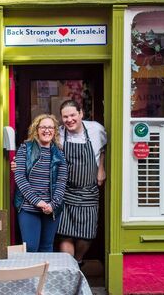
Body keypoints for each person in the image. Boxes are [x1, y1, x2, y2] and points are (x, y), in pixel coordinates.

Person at [56, 100, 107, 266]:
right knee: (65, 233)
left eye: (73, 115)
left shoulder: (96, 129)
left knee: (87, 234)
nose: (69, 119)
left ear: (81, 114)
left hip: (89, 190)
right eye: (65, 116)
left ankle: (78, 260)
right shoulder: (59, 134)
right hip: (66, 191)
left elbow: (103, 149)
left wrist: (101, 168)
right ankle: (70, 268)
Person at [13, 114, 68, 252]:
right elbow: (19, 177)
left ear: (55, 131)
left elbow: (62, 182)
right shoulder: (25, 148)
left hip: (51, 208)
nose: (47, 130)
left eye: (50, 127)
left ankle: (45, 275)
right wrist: (37, 201)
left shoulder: (59, 153)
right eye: (43, 127)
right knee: (31, 248)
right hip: (29, 208)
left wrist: (52, 204)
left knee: (47, 247)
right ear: (36, 129)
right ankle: (31, 274)